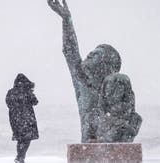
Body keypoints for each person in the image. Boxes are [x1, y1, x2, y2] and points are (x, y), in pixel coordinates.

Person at [48, 0, 142, 143]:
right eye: (92, 52)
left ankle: (118, 133)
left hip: (114, 136)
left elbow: (126, 105)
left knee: (120, 80)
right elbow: (70, 50)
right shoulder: (82, 81)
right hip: (92, 142)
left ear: (106, 65)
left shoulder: (115, 82)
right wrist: (66, 19)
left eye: (96, 55)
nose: (90, 54)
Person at [6, 73, 39, 163]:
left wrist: (16, 109)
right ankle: (20, 157)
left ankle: (19, 157)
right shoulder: (27, 91)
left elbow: (8, 103)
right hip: (27, 118)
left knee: (20, 138)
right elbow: (35, 102)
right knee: (27, 138)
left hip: (14, 119)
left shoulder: (10, 92)